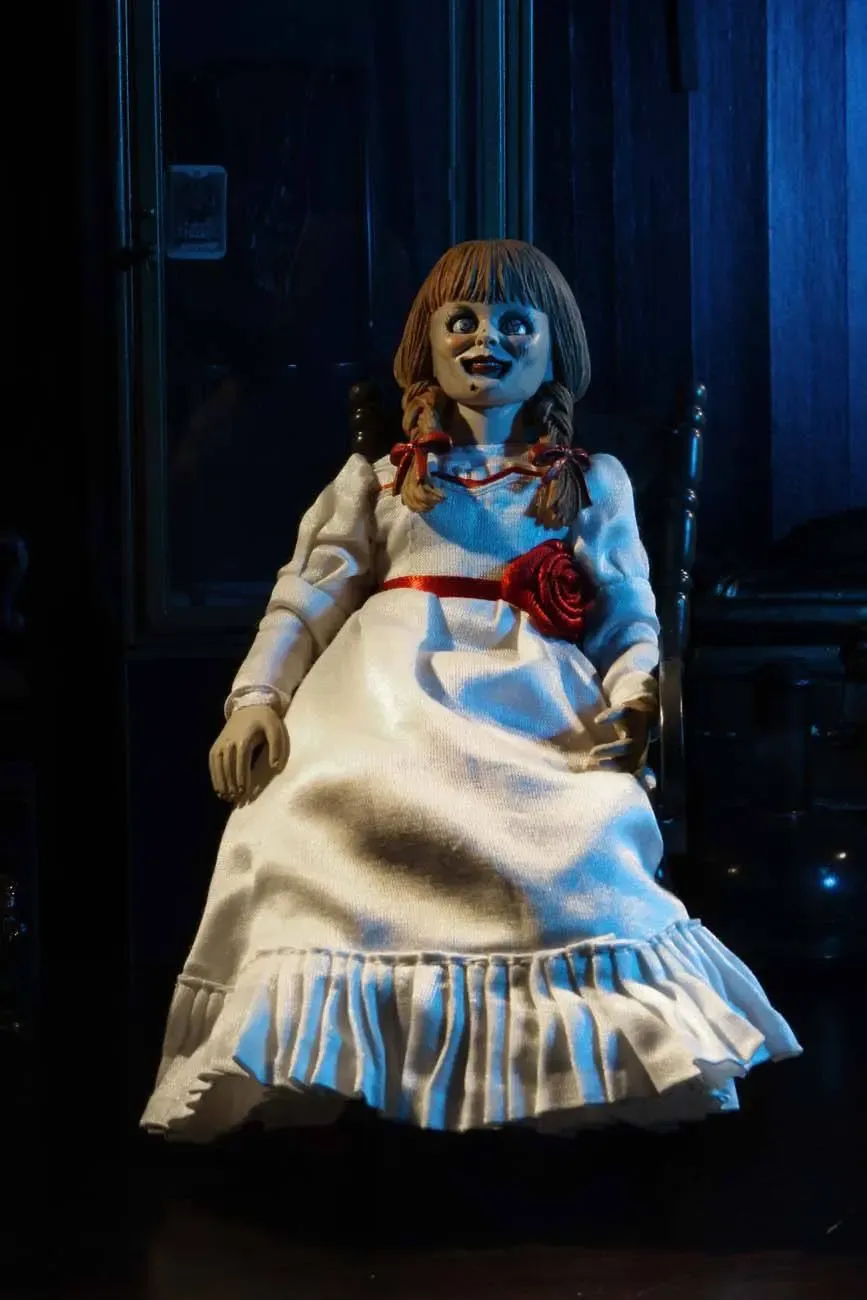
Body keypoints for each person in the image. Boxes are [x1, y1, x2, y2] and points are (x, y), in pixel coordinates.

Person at [142, 239, 801, 1140]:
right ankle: (344, 1056)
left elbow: (625, 611)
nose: (485, 339)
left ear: (552, 348)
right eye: (462, 321)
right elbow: (306, 598)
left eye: (513, 323)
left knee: (575, 828)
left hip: (532, 707)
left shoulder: (584, 481)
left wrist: (635, 694)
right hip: (382, 699)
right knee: (316, 803)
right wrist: (256, 697)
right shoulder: (381, 479)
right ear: (427, 343)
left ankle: (546, 1069)